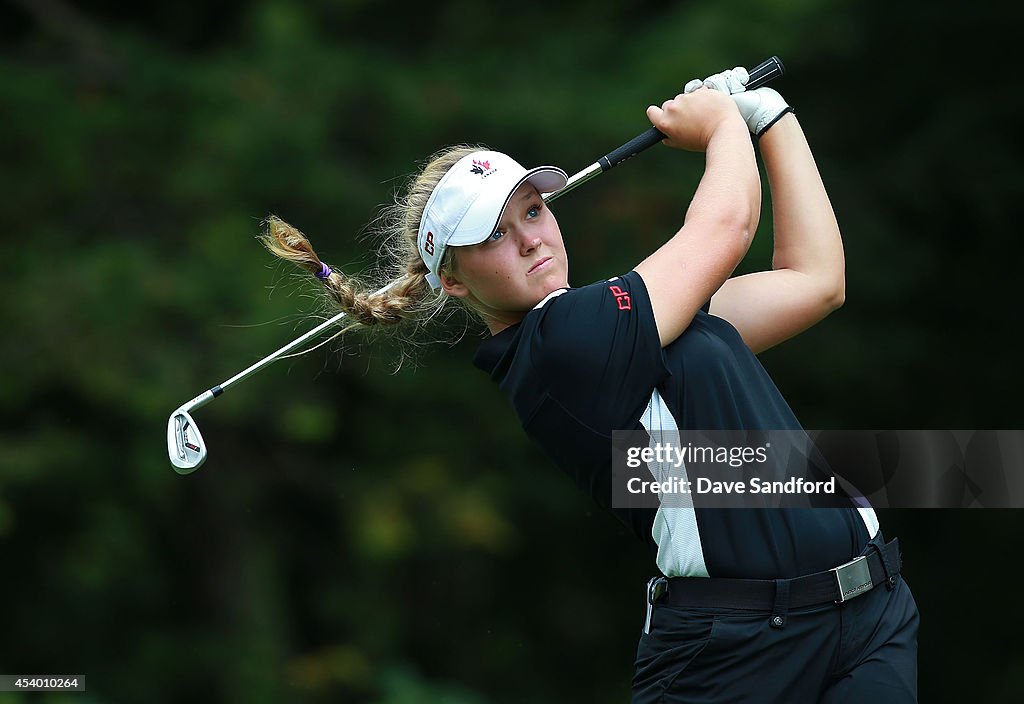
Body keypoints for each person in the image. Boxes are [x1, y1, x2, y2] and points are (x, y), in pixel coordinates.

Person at [262, 67, 919, 702]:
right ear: (454, 281)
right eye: (492, 235)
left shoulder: (640, 321)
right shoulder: (560, 346)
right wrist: (722, 124)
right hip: (738, 655)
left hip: (869, 615)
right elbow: (725, 229)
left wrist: (771, 118)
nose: (528, 239)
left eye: (532, 210)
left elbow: (814, 279)